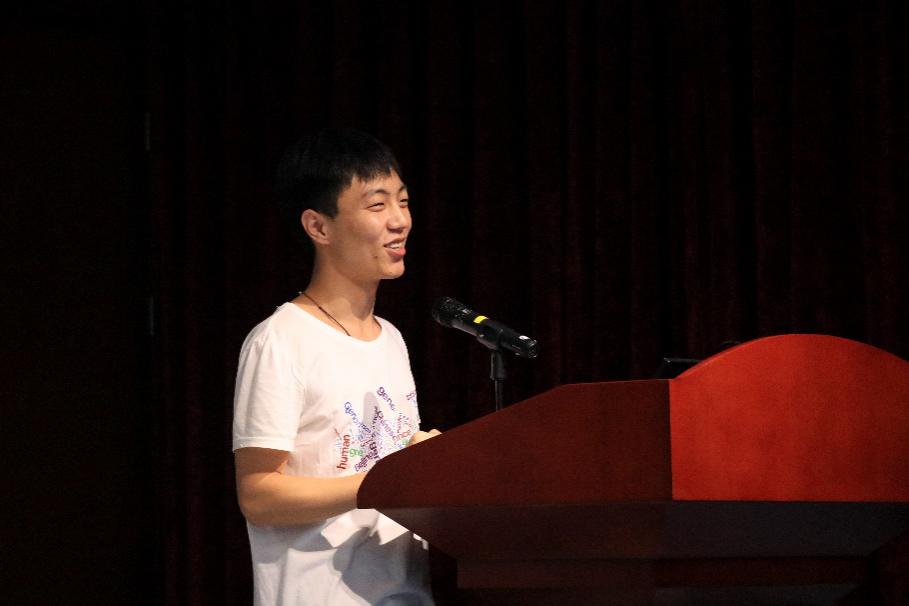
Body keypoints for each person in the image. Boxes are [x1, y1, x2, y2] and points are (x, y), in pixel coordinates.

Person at [232, 128, 439, 605]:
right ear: (319, 227)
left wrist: (432, 464)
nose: (399, 221)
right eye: (377, 205)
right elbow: (258, 495)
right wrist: (385, 481)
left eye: (403, 202)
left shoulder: (391, 339)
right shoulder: (280, 340)